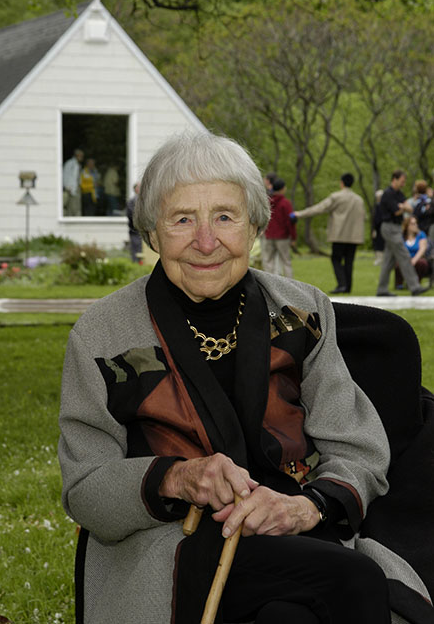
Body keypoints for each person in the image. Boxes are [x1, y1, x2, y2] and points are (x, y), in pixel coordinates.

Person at [58, 132, 415, 624]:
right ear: (153, 233)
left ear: (254, 228)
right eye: (183, 219)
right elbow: (85, 488)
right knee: (352, 580)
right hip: (170, 552)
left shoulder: (302, 312)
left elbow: (357, 448)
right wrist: (178, 477)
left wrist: (307, 508)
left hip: (294, 531)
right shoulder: (102, 335)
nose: (206, 242)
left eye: (225, 217)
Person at [293, 173, 365, 294]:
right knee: (349, 261)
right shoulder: (359, 200)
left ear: (341, 183)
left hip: (339, 235)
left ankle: (342, 284)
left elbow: (319, 208)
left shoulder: (336, 197)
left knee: (336, 259)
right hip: (354, 236)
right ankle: (348, 287)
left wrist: (299, 214)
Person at [376, 170, 428, 297]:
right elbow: (396, 212)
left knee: (389, 259)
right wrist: (403, 208)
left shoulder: (399, 194)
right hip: (389, 227)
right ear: (395, 179)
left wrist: (403, 207)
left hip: (396, 227)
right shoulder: (388, 194)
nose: (403, 184)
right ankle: (415, 287)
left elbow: (410, 208)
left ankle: (382, 289)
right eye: (402, 181)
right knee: (404, 255)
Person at [261, 178, 296, 278]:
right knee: (286, 261)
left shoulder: (267, 202)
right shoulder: (285, 203)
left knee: (268, 261)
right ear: (282, 189)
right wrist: (293, 237)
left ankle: (269, 284)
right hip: (283, 237)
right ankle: (290, 284)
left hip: (269, 235)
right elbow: (290, 221)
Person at [395, 215, 431, 288]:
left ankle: (416, 283)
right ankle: (399, 284)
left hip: (417, 259)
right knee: (398, 263)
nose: (415, 225)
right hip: (404, 259)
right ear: (407, 226)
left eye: (416, 223)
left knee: (422, 263)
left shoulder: (421, 235)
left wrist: (414, 260)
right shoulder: (401, 236)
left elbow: (422, 249)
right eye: (413, 224)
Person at [62, 148, 84, 216]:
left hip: (77, 188)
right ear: (77, 155)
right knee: (72, 207)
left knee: (77, 207)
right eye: (81, 156)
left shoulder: (77, 164)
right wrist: (67, 186)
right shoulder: (70, 163)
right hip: (71, 188)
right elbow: (65, 175)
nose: (82, 158)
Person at [126, 182, 143, 263]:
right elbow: (131, 215)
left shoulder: (146, 201)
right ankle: (135, 263)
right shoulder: (131, 202)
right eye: (139, 187)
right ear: (136, 189)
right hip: (135, 230)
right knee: (135, 249)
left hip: (144, 230)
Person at [372, 189, 385, 265]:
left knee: (380, 243)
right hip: (378, 228)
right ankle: (379, 258)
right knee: (378, 243)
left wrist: (375, 228)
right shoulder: (378, 205)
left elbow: (377, 218)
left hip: (380, 228)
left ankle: (380, 259)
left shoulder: (381, 206)